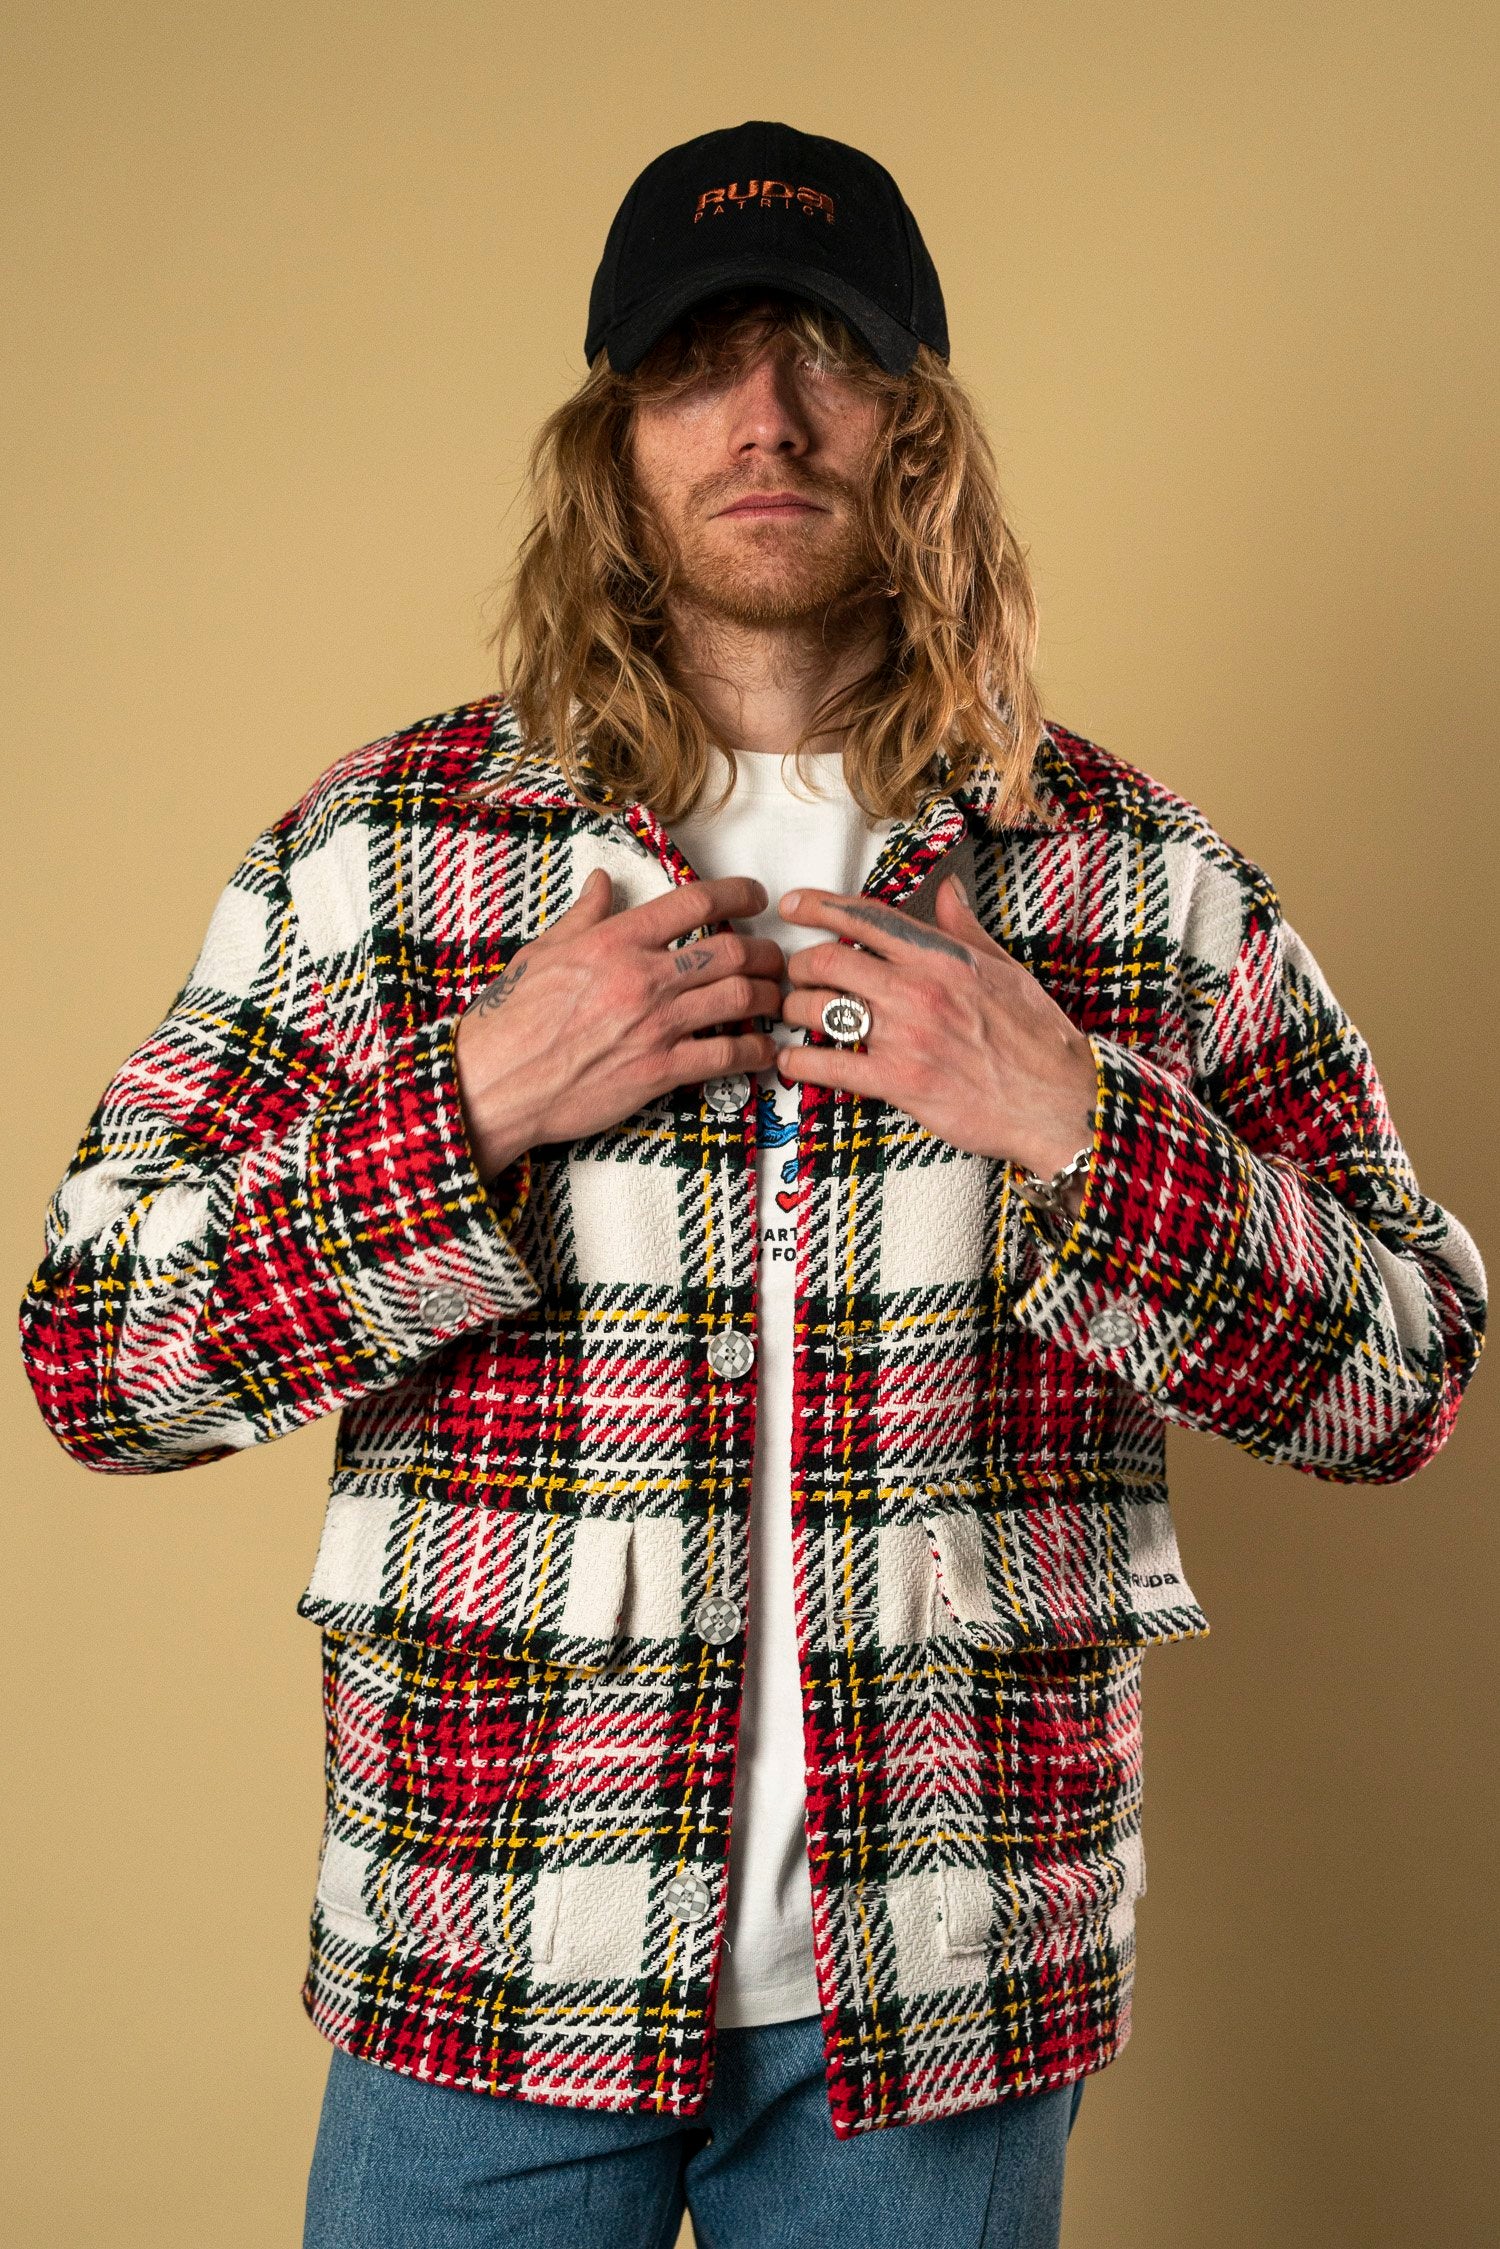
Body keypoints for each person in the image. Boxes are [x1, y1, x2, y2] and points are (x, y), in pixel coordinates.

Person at [19, 119, 1486, 2249]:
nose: (770, 418)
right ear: (614, 438)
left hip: (946, 2009)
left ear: (920, 426)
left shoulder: (1136, 882)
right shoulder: (381, 856)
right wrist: (475, 1102)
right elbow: (95, 1354)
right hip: (488, 1962)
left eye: (830, 355)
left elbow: (1415, 1372)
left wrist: (1087, 1122)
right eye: (703, 360)